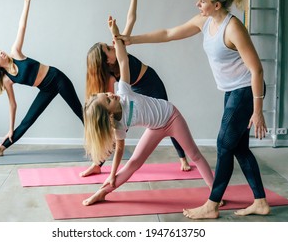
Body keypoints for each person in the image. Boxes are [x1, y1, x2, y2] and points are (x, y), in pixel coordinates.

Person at [117, 0, 270, 219]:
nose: (198, 4)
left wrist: (258, 110)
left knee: (223, 145)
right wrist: (132, 40)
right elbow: (169, 34)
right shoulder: (204, 21)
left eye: (202, 1)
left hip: (246, 91)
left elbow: (257, 70)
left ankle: (212, 204)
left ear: (217, 5)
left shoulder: (232, 28)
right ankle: (260, 202)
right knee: (239, 148)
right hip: (232, 92)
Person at [82, 16, 214, 206]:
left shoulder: (124, 91)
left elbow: (123, 60)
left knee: (194, 155)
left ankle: (214, 193)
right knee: (133, 163)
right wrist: (111, 175)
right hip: (156, 128)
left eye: (108, 94)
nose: (113, 95)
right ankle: (102, 193)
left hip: (172, 116)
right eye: (109, 99)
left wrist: (115, 34)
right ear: (108, 113)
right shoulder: (118, 126)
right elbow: (119, 150)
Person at [81, 0, 191, 177]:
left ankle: (182, 157)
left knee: (168, 117)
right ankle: (98, 164)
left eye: (110, 46)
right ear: (107, 61)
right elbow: (114, 116)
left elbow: (131, 18)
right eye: (109, 49)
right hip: (132, 90)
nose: (112, 47)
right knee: (118, 124)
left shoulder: (119, 46)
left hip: (150, 81)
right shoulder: (111, 78)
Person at [0, 0, 83, 158]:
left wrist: (27, 1)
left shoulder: (16, 53)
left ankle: (104, 142)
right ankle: (1, 148)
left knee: (79, 112)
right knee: (27, 121)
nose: (0, 52)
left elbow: (22, 27)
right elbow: (13, 105)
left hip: (57, 78)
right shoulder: (7, 80)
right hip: (46, 88)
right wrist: (10, 128)